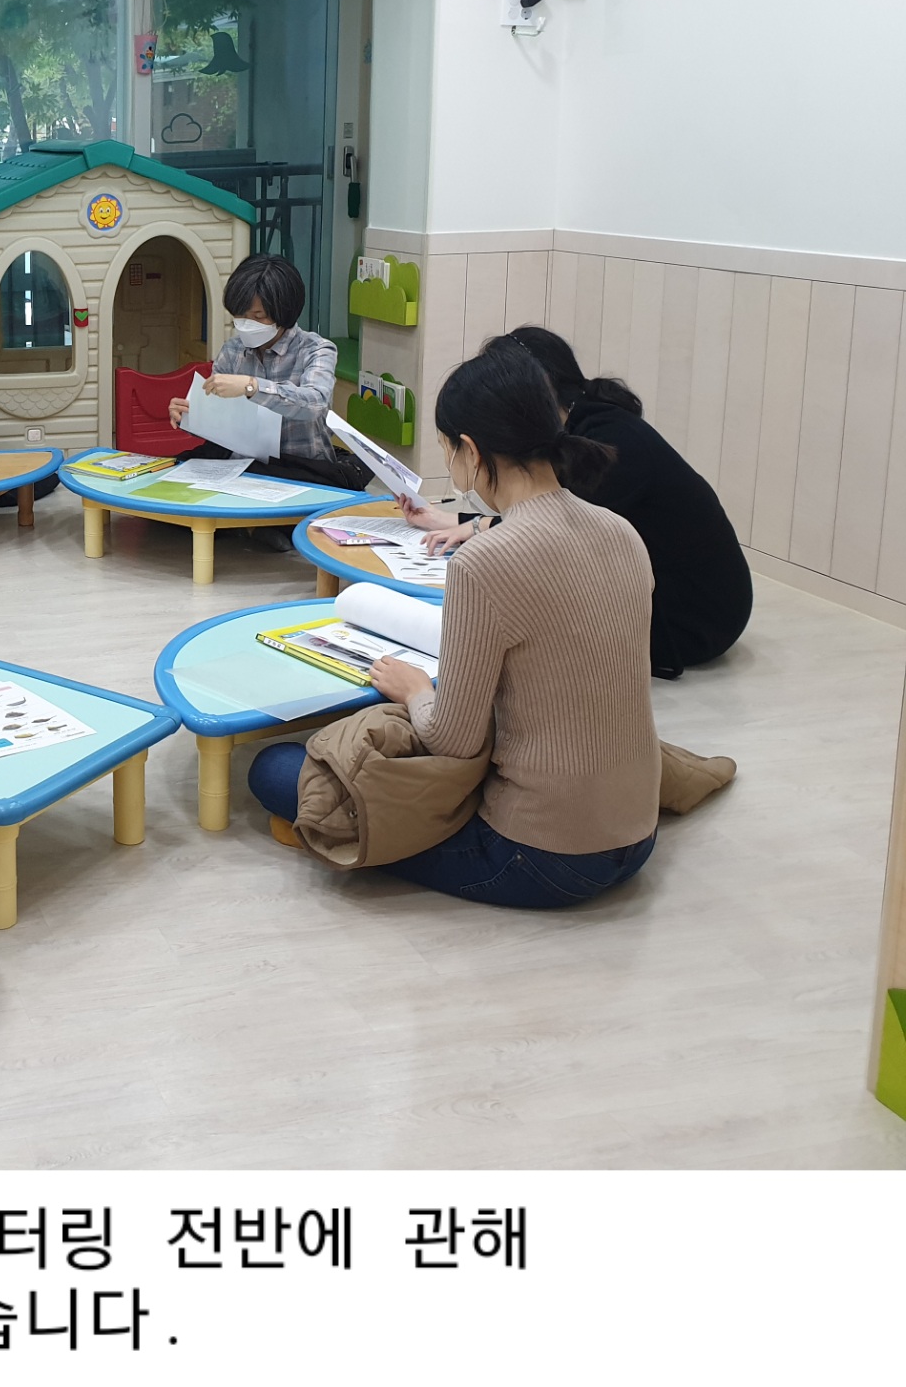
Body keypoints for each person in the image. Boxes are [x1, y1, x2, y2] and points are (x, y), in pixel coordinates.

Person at [248, 342, 662, 909]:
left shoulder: (485, 561)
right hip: (638, 833)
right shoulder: (622, 532)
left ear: (470, 450)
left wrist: (416, 691)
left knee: (274, 769)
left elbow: (451, 739)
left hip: (541, 856)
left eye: (447, 449)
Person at [404, 326, 752, 679]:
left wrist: (474, 527)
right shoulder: (583, 423)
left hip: (692, 619)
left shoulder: (611, 442)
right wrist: (460, 521)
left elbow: (553, 524)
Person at [167, 253, 369, 545]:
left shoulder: (316, 349)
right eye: (240, 316)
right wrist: (191, 414)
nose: (247, 324)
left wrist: (252, 386)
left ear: (284, 312)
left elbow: (314, 403)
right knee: (173, 484)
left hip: (299, 465)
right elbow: (218, 419)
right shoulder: (233, 351)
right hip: (242, 463)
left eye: (258, 317)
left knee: (305, 498)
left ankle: (252, 526)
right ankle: (254, 526)